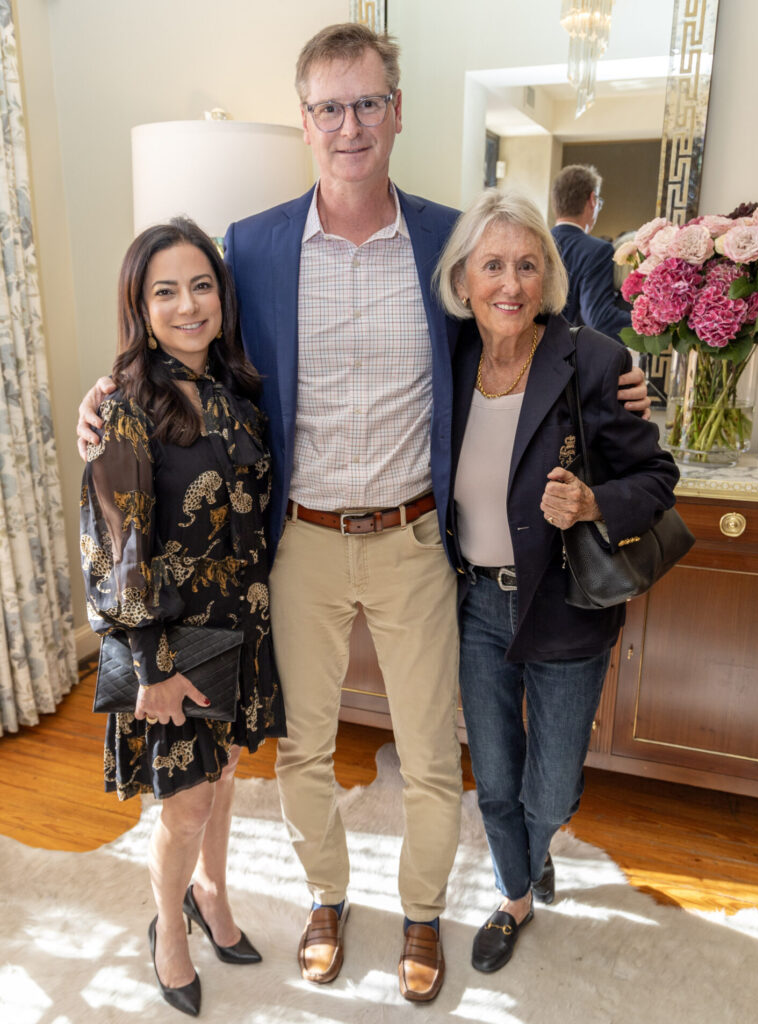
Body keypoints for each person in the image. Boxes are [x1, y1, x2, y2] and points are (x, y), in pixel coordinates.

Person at [76, 23, 650, 1002]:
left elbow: (525, 320)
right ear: (306, 121)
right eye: (330, 107)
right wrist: (110, 391)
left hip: (415, 538)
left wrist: (614, 376)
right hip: (296, 541)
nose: (350, 125)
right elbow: (193, 343)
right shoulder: (249, 246)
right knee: (303, 748)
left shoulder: (445, 236)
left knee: (431, 756)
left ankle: (421, 910)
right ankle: (325, 896)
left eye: (367, 103)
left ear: (395, 112)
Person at [434, 188, 679, 973]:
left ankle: (538, 846)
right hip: (476, 604)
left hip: (566, 606)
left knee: (549, 792)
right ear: (464, 279)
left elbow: (656, 474)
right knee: (495, 778)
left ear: (548, 279)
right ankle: (514, 894)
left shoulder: (595, 359)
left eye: (528, 266)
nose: (510, 284)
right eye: (493, 265)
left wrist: (595, 500)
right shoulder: (449, 356)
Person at [80, 218, 285, 1016]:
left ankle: (212, 892)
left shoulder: (236, 390)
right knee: (186, 799)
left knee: (225, 773)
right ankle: (169, 930)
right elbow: (116, 549)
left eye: (201, 285)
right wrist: (152, 668)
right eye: (165, 290)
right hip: (175, 641)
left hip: (244, 621)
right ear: (140, 304)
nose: (188, 304)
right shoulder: (126, 407)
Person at [551, 164, 632, 344]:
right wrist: (646, 322)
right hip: (569, 356)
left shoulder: (538, 243)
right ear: (592, 200)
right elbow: (599, 317)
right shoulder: (597, 250)